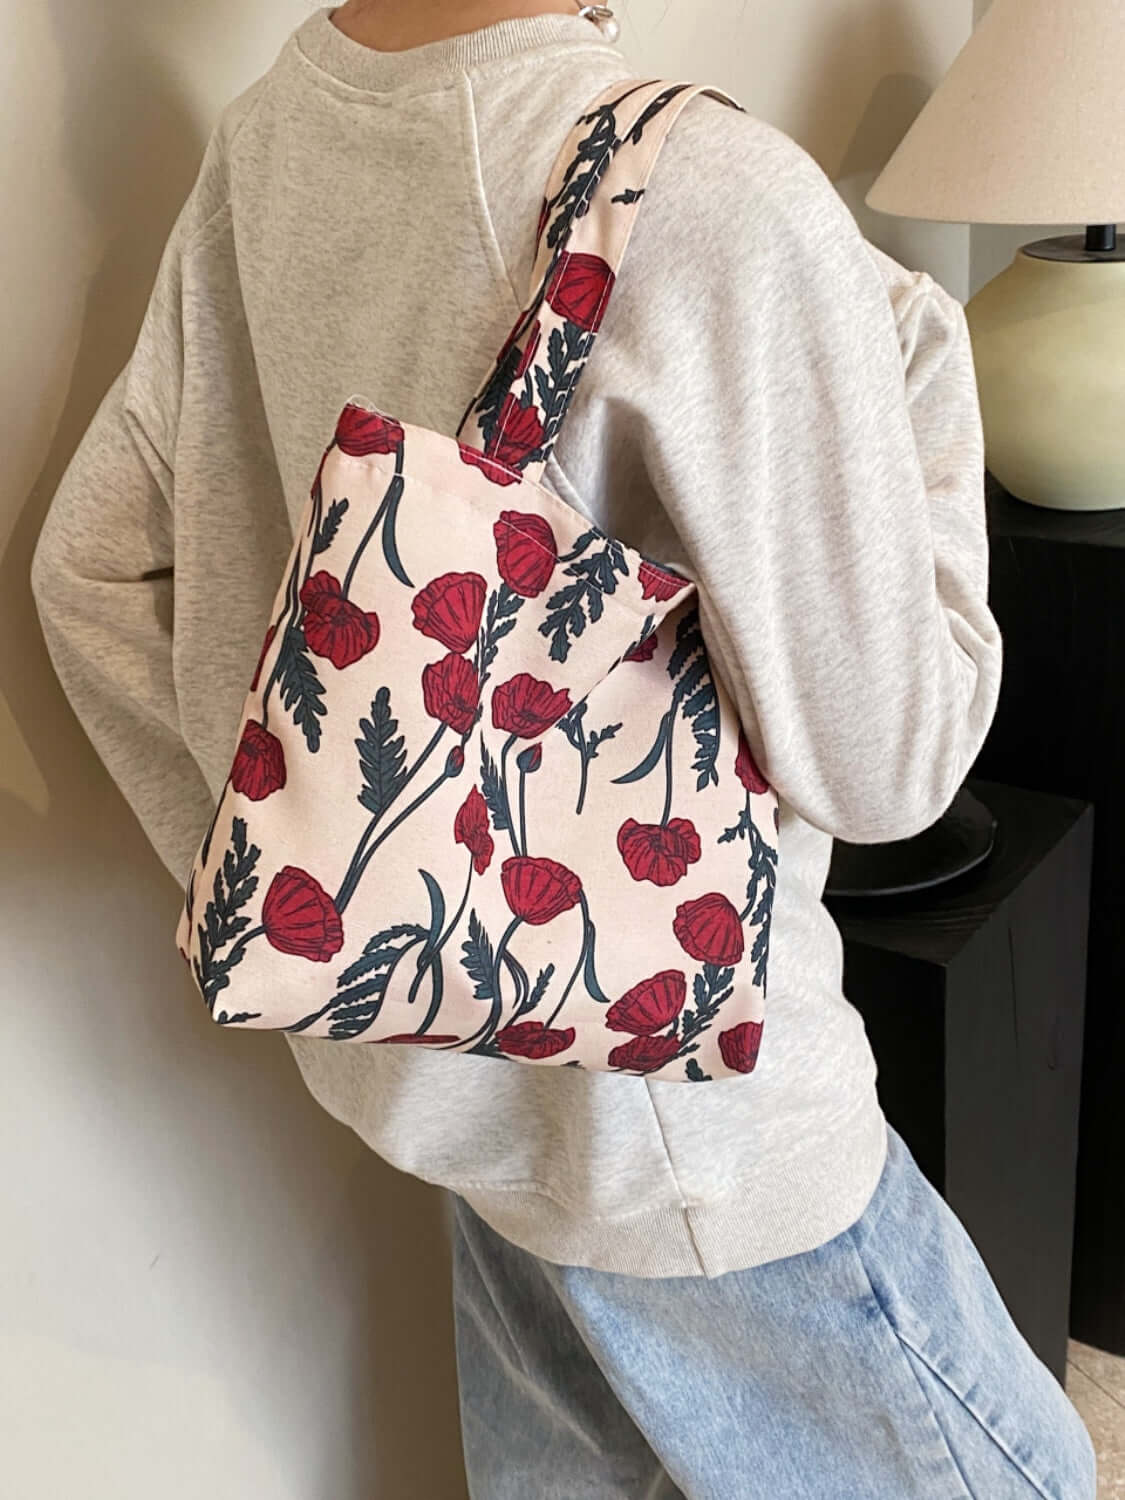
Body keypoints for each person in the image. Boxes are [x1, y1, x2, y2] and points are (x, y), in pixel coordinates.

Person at [30, 2, 1097, 1494]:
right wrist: (918, 368)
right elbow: (893, 762)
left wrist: (329, 886)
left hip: (457, 1106)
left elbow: (88, 569)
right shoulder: (716, 197)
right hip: (698, 1150)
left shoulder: (270, 140)